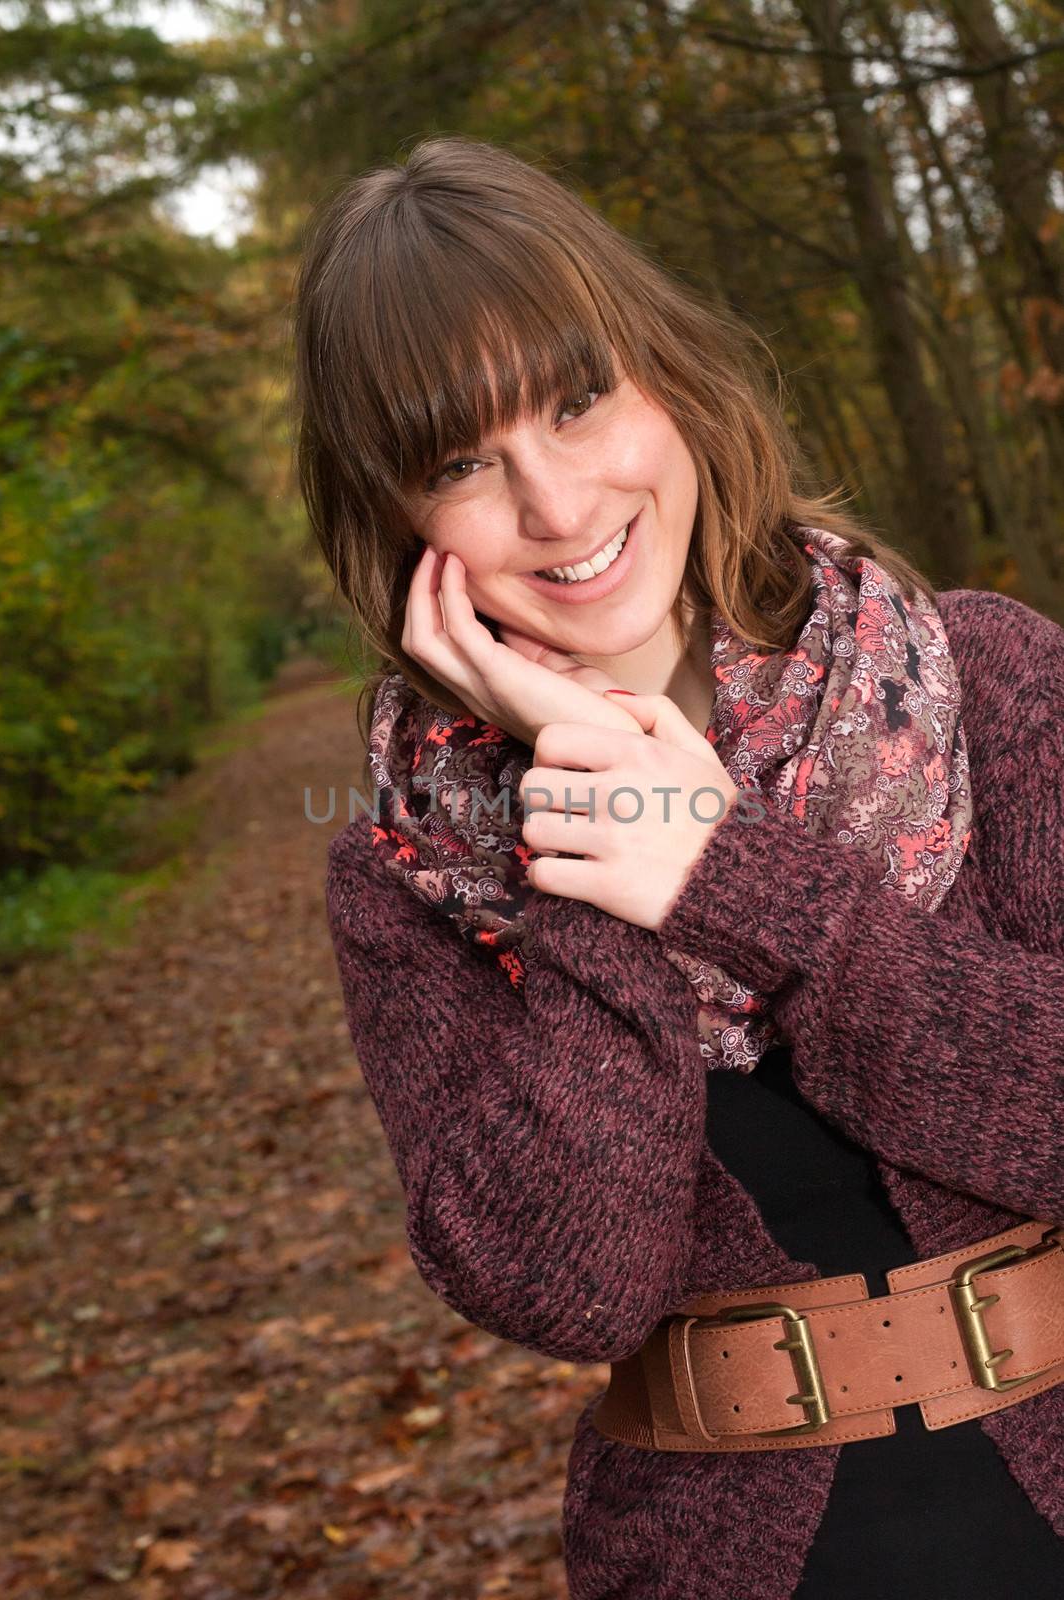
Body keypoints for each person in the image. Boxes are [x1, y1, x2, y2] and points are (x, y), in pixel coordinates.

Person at [290, 134, 1064, 1598]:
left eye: (580, 403)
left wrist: (731, 875)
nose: (561, 508)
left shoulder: (988, 677)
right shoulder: (406, 868)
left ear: (669, 378)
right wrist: (583, 823)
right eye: (464, 462)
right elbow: (567, 1286)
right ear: (396, 521)